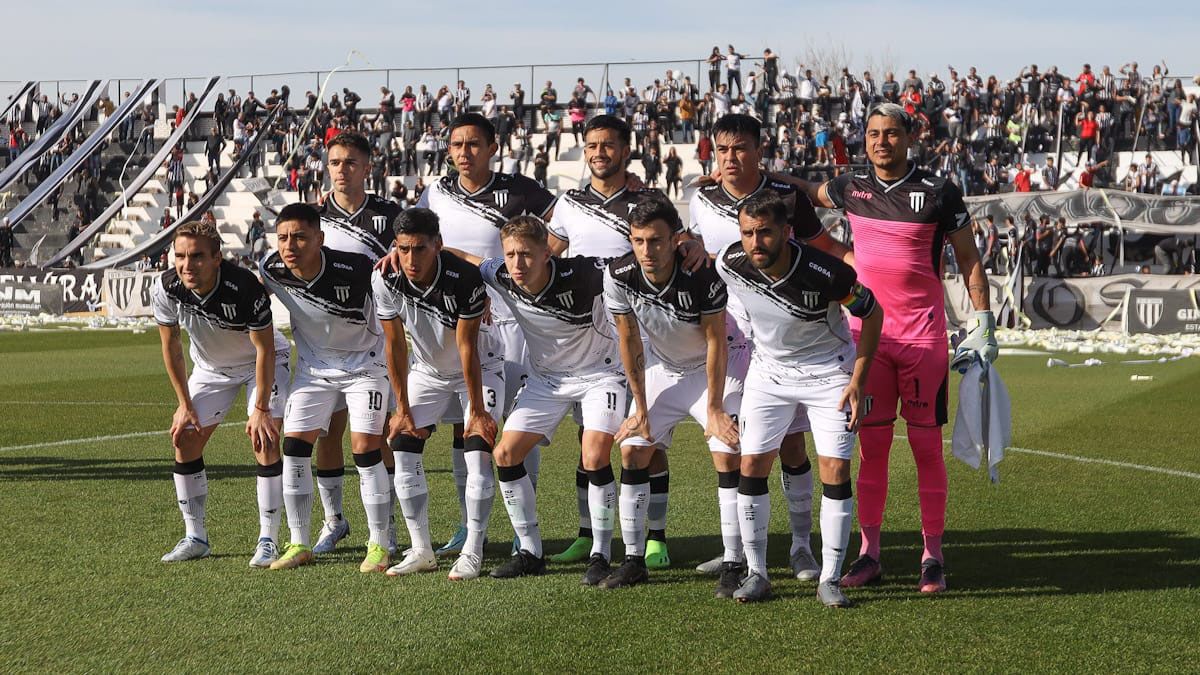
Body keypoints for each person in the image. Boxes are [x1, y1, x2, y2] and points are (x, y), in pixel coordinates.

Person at [800, 103, 997, 593]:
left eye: (890, 133)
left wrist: (985, 320)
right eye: (872, 134)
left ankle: (933, 555)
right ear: (864, 140)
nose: (881, 142)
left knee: (928, 447)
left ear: (909, 138)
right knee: (874, 449)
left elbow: (970, 259)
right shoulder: (851, 188)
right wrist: (763, 175)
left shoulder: (939, 193)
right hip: (865, 340)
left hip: (922, 338)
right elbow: (808, 193)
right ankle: (870, 554)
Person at [686, 113, 849, 580]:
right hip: (729, 333)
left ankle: (800, 546)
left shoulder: (786, 198)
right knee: (732, 445)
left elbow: (822, 248)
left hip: (789, 337)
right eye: (722, 150)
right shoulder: (702, 197)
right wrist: (689, 242)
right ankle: (736, 552)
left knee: (792, 444)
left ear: (760, 150)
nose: (731, 158)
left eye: (740, 148)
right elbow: (698, 246)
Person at [543, 115, 707, 568]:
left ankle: (655, 537)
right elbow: (545, 255)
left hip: (639, 333)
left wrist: (692, 241)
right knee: (589, 438)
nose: (599, 153)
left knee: (647, 436)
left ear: (625, 149)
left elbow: (679, 239)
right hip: (584, 340)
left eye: (608, 145)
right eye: (592, 145)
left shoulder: (646, 200)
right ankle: (588, 534)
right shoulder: (568, 204)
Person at [398, 113, 554, 556]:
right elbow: (418, 239)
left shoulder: (520, 190)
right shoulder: (436, 193)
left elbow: (563, 231)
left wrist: (525, 277)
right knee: (465, 425)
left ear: (492, 147)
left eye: (473, 145)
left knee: (521, 424)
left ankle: (526, 517)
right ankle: (471, 526)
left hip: (517, 322)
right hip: (462, 322)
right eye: (456, 145)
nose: (464, 153)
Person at [717, 191, 883, 605]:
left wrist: (859, 379)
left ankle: (829, 578)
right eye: (748, 233)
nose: (756, 242)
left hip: (830, 373)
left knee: (835, 469)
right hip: (769, 373)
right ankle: (757, 573)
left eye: (766, 233)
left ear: (788, 233)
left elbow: (873, 312)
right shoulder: (730, 262)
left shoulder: (826, 271)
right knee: (751, 463)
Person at [445, 216, 627, 585]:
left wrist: (684, 245)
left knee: (594, 456)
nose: (517, 263)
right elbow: (463, 257)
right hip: (547, 381)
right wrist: (415, 252)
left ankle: (601, 554)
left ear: (547, 252)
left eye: (526, 254)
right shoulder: (501, 274)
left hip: (600, 375)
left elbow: (635, 264)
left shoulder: (588, 272)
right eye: (510, 254)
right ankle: (531, 551)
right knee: (505, 454)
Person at [601, 198, 743, 590]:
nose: (647, 250)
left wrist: (714, 408)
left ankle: (734, 561)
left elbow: (717, 341)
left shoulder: (701, 274)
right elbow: (629, 340)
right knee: (632, 446)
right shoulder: (619, 274)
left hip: (714, 369)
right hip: (663, 370)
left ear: (675, 240)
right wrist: (641, 409)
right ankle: (633, 560)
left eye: (657, 241)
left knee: (727, 452)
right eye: (638, 240)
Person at [259, 203, 393, 573]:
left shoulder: (358, 269)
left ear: (320, 238)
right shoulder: (271, 269)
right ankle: (299, 541)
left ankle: (380, 542)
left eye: (301, 237)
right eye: (283, 237)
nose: (291, 245)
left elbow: (399, 293)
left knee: (365, 448)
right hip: (314, 370)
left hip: (365, 366)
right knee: (295, 446)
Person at [372, 208, 503, 580]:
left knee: (477, 449)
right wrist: (401, 409)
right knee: (402, 443)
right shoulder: (385, 277)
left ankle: (473, 549)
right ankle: (421, 550)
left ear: (438, 246)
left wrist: (476, 410)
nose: (411, 259)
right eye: (403, 249)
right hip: (427, 371)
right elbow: (394, 346)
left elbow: (467, 347)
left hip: (481, 368)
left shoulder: (465, 277)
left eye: (420, 249)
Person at [152, 221, 290, 567]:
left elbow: (265, 350)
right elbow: (171, 346)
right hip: (212, 369)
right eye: (180, 256)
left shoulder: (244, 287)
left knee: (265, 438)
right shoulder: (167, 286)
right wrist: (184, 405)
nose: (187, 265)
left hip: (260, 362)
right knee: (184, 439)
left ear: (217, 258)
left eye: (197, 256)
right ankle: (196, 537)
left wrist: (260, 407)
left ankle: (268, 539)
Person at [308, 131, 404, 557]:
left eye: (350, 162)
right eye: (334, 162)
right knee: (327, 435)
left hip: (377, 341)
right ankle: (335, 521)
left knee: (378, 437)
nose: (341, 170)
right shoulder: (312, 218)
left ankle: (387, 526)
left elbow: (411, 259)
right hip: (324, 343)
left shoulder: (390, 216)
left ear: (368, 167)